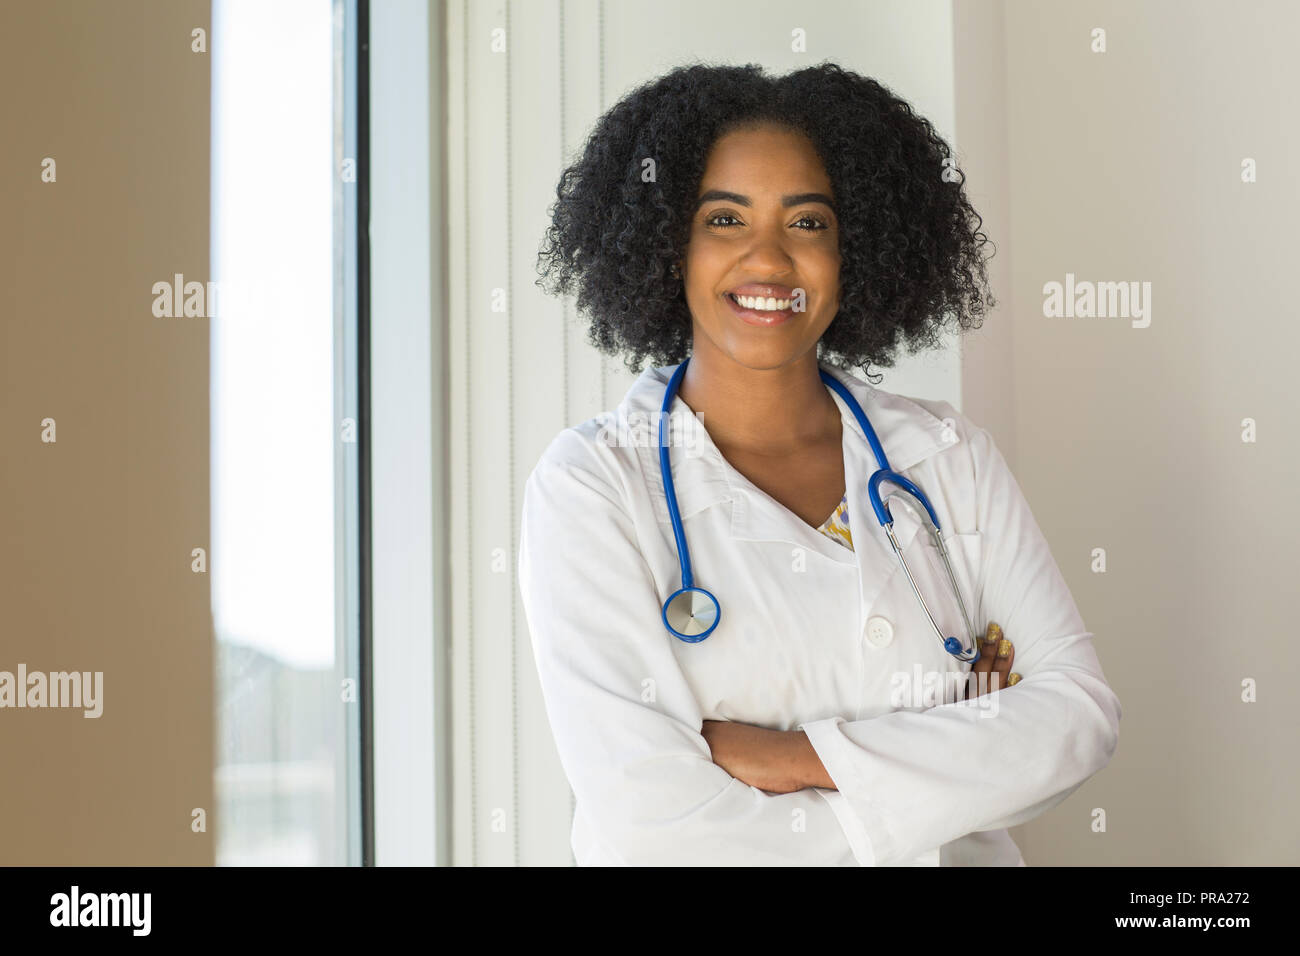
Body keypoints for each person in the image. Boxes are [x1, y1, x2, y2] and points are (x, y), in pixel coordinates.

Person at [520, 62, 1121, 866]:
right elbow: (651, 827)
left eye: (808, 224)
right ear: (670, 249)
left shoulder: (946, 460)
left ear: (855, 253)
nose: (768, 260)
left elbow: (1077, 718)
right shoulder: (593, 485)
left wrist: (795, 758)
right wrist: (957, 767)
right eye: (725, 220)